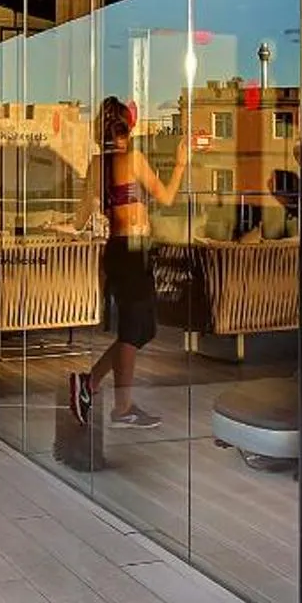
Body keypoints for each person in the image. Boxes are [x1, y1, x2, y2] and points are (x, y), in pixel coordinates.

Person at [69, 94, 187, 431]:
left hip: (119, 252)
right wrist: (180, 163)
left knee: (141, 329)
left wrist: (59, 224)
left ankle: (90, 383)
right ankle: (121, 407)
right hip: (133, 251)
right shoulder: (132, 159)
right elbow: (165, 197)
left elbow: (80, 220)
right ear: (127, 128)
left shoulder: (96, 165)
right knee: (135, 329)